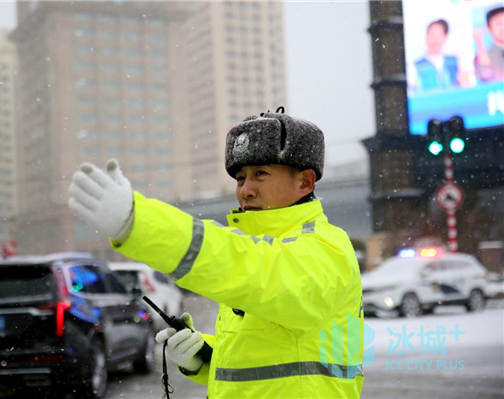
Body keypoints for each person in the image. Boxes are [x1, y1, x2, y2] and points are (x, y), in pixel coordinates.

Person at [68, 109, 365, 398]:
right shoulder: (257, 249)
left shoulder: (326, 247)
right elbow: (275, 364)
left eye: (260, 174)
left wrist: (140, 225)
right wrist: (205, 357)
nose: (245, 190)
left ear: (305, 182)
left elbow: (255, 270)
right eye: (240, 178)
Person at [413, 19, 460, 92]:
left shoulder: (454, 61)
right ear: (426, 36)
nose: (435, 39)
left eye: (439, 35)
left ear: (445, 38)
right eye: (432, 34)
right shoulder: (416, 65)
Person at [474, 6, 504, 83]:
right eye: (499, 24)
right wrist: (479, 42)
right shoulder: (484, 56)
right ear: (488, 28)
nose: (503, 28)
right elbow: (485, 75)